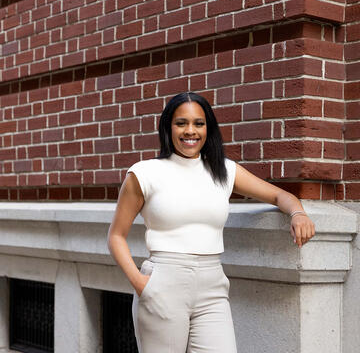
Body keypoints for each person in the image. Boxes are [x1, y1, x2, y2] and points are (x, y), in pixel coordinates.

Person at [107, 92, 315, 353]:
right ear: (168, 127)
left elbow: (278, 195)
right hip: (163, 283)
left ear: (209, 129)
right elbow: (116, 236)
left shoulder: (224, 170)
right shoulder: (145, 173)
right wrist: (142, 285)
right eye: (181, 123)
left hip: (213, 287)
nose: (190, 131)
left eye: (199, 123)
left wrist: (298, 213)